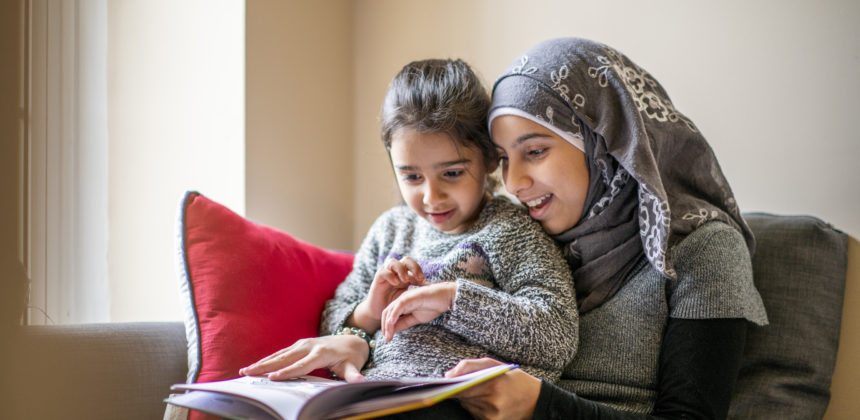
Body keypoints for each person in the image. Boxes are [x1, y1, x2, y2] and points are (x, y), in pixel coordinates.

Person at [445, 37, 769, 419]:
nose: (513, 183)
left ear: (604, 144)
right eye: (502, 159)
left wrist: (540, 405)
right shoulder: (521, 238)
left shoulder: (703, 249)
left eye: (534, 151)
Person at [241, 59, 578, 388]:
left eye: (452, 173)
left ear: (490, 157)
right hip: (374, 394)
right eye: (412, 176)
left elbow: (557, 336)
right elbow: (334, 316)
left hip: (456, 401)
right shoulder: (390, 230)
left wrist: (453, 300)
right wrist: (370, 311)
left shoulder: (511, 230)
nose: (432, 197)